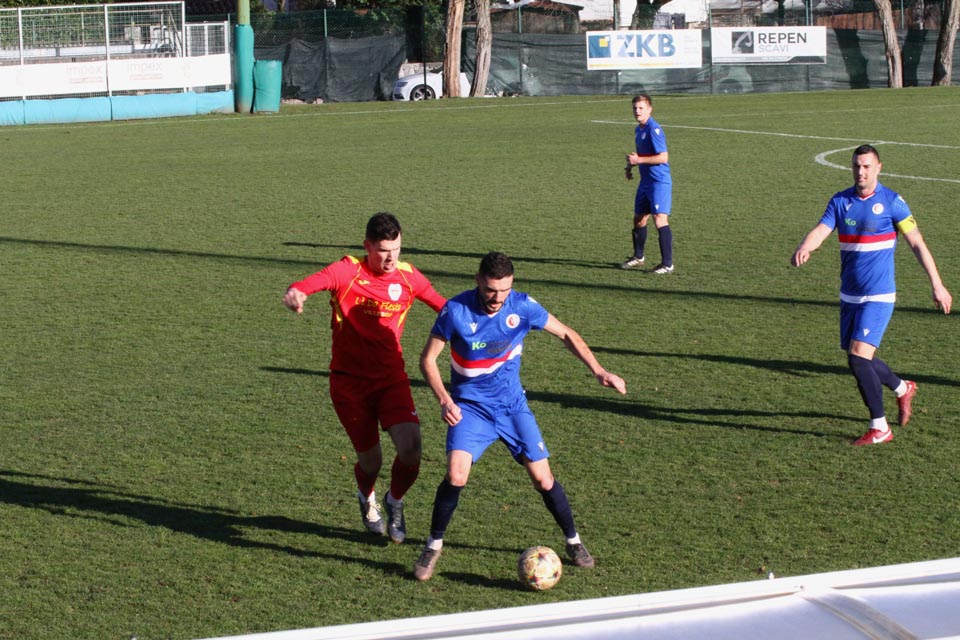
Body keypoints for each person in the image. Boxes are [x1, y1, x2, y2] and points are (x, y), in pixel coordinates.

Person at [413, 251, 627, 581]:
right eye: (490, 290)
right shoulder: (455, 311)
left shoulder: (522, 306)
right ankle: (433, 545)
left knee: (543, 479)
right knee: (456, 475)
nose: (497, 298)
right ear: (477, 281)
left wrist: (599, 371)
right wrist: (444, 400)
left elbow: (566, 333)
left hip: (512, 408)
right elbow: (427, 360)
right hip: (470, 409)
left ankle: (573, 541)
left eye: (504, 290)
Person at [282, 212, 446, 542]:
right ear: (367, 246)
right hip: (349, 384)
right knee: (372, 462)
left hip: (391, 379)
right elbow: (310, 283)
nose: (391, 258)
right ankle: (366, 496)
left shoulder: (409, 277)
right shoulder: (348, 271)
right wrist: (297, 293)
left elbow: (446, 308)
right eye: (383, 250)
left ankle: (394, 501)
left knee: (412, 449)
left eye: (396, 249)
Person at [791, 144, 952, 446]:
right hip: (849, 295)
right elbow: (822, 229)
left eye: (866, 166)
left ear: (879, 167)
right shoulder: (841, 201)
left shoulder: (893, 202)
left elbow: (917, 243)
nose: (861, 172)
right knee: (859, 357)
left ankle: (880, 427)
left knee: (857, 357)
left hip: (879, 295)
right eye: (856, 166)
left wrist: (937, 284)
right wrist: (805, 247)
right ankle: (903, 388)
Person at [622, 94, 674, 274]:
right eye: (635, 108)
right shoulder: (639, 129)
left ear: (649, 109)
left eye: (641, 108)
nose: (637, 111)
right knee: (639, 218)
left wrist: (639, 160)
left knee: (659, 218)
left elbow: (663, 157)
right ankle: (638, 257)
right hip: (645, 182)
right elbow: (641, 155)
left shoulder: (654, 129)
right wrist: (630, 166)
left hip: (659, 182)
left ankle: (667, 264)